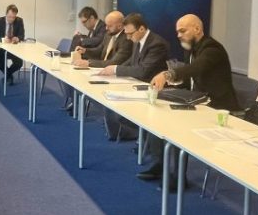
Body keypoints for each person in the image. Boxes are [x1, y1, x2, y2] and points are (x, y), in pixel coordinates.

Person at [140, 14, 239, 183]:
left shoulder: (212, 49)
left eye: (183, 31)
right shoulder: (192, 49)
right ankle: (159, 165)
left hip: (216, 106)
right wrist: (173, 84)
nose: (179, 35)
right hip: (198, 100)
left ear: (197, 29)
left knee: (177, 125)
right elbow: (189, 78)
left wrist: (167, 75)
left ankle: (178, 177)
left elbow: (195, 68)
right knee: (157, 118)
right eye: (178, 32)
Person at [98, 13, 169, 140]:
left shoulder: (157, 44)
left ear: (141, 29)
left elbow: (143, 71)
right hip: (137, 83)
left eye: (130, 34)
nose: (128, 37)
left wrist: (116, 69)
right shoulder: (137, 40)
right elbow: (132, 61)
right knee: (109, 95)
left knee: (118, 102)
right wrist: (113, 70)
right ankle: (120, 132)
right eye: (126, 34)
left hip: (152, 88)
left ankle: (136, 135)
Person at [0, 4, 25, 85]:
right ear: (6, 14)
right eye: (9, 17)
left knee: (19, 63)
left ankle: (7, 75)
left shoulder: (19, 21)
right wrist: (3, 39)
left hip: (14, 48)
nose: (11, 19)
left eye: (13, 17)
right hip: (1, 49)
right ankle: (9, 76)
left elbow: (22, 36)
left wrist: (17, 38)